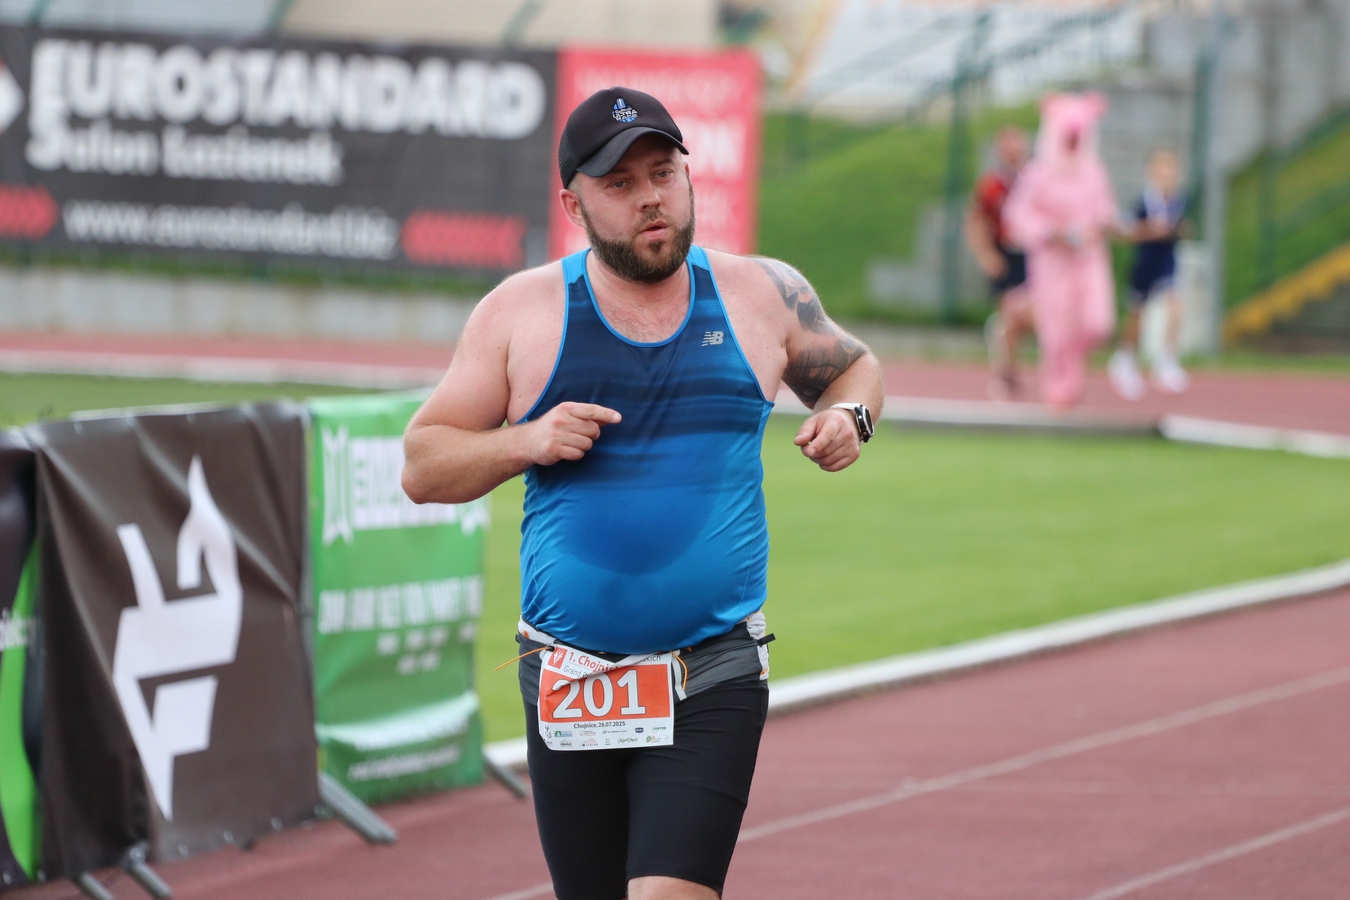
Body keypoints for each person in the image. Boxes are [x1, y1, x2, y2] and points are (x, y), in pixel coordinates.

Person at [401, 87, 883, 900]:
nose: (650, 197)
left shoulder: (761, 295)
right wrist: (526, 440)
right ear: (574, 204)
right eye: (619, 184)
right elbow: (422, 465)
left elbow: (854, 367)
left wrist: (850, 418)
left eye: (663, 173)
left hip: (712, 670)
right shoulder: (522, 312)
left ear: (688, 177)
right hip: (566, 676)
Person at [1002, 92, 1118, 410]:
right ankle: (1059, 387)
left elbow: (1105, 208)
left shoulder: (1094, 170)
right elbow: (1017, 215)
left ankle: (1073, 367)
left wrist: (1102, 223)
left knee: (1097, 322)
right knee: (1056, 327)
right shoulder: (1039, 172)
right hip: (1052, 261)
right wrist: (1050, 232)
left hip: (1089, 258)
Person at [1108, 149, 1191, 398]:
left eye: (1171, 170)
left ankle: (1166, 360)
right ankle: (1125, 356)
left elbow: (1184, 227)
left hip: (1167, 262)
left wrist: (1179, 230)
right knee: (1137, 314)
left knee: (1175, 306)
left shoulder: (1179, 201)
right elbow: (1126, 231)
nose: (1167, 176)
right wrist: (1150, 231)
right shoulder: (1143, 202)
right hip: (1144, 264)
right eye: (1162, 170)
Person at [965, 125, 1034, 399]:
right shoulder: (992, 184)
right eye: (1008, 147)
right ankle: (1007, 373)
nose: (1013, 152)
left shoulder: (1035, 180)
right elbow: (976, 220)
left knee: (1029, 315)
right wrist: (986, 255)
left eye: (1018, 145)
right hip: (1007, 256)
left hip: (1035, 256)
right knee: (1009, 313)